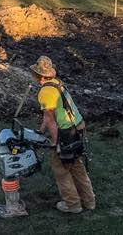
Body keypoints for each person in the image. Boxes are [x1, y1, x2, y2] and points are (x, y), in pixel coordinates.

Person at [30, 55, 96, 214]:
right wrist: (40, 132)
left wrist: (55, 142)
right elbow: (49, 116)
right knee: (77, 166)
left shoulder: (45, 92)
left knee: (61, 170)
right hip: (77, 127)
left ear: (39, 76)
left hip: (65, 133)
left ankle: (73, 204)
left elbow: (51, 120)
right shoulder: (57, 84)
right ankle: (89, 201)